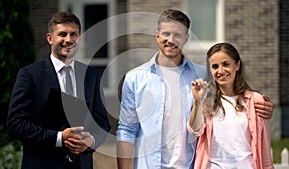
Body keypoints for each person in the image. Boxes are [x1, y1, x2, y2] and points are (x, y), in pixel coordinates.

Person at [116, 9, 273, 169]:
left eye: (177, 35)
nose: (171, 40)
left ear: (186, 38)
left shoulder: (202, 75)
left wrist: (261, 104)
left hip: (190, 165)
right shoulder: (135, 78)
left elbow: (232, 89)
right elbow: (127, 129)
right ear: (157, 36)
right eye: (166, 34)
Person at [7, 12, 111, 169]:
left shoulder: (91, 75)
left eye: (73, 34)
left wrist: (92, 141)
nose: (68, 40)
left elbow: (102, 123)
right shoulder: (30, 75)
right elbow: (16, 124)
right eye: (62, 34)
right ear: (50, 38)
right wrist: (59, 137)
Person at [188, 42, 274, 169]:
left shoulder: (255, 100)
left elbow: (264, 145)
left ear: (237, 65)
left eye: (226, 64)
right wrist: (198, 101)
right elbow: (195, 130)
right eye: (215, 66)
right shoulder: (206, 100)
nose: (220, 71)